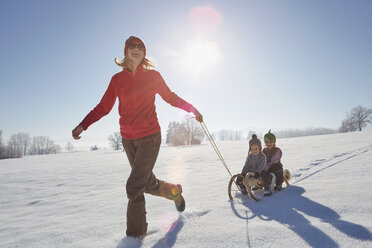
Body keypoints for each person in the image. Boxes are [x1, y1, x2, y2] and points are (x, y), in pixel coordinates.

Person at [72, 36, 203, 239]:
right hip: (128, 140)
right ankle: (174, 193)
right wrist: (83, 124)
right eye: (131, 46)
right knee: (146, 184)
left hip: (150, 137)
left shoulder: (153, 76)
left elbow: (170, 97)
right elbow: (103, 107)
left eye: (140, 47)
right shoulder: (117, 80)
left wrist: (192, 109)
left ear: (144, 53)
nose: (136, 49)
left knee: (134, 186)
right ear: (125, 52)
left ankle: (135, 236)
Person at [261, 130, 284, 197]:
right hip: (267, 166)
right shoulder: (264, 150)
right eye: (267, 142)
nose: (269, 144)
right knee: (262, 172)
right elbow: (262, 158)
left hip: (275, 166)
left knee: (278, 171)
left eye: (270, 142)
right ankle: (261, 184)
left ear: (274, 142)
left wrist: (267, 166)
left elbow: (274, 160)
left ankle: (279, 184)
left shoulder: (277, 150)